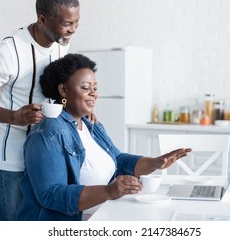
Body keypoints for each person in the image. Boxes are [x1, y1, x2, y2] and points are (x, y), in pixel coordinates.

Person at [16, 53, 192, 221]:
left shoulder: (91, 125)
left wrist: (155, 163)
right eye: (85, 87)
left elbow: (119, 160)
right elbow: (51, 194)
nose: (94, 93)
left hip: (105, 210)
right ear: (63, 90)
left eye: (95, 87)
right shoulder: (48, 133)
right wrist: (109, 191)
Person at [0, 0, 81, 221]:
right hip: (13, 154)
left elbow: (57, 90)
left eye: (76, 22)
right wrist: (14, 116)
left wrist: (78, 111)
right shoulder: (9, 50)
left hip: (48, 151)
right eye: (67, 24)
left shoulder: (62, 43)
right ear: (42, 19)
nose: (73, 30)